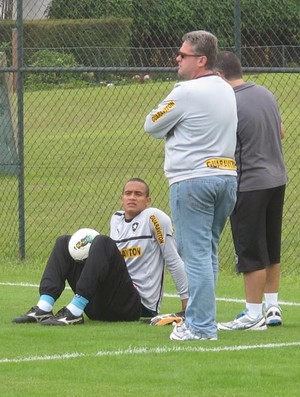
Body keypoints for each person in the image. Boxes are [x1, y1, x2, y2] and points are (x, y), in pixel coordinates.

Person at [144, 31, 238, 341]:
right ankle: (203, 321)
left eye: (183, 55)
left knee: (195, 255)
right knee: (207, 253)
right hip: (225, 177)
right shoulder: (225, 89)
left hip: (192, 180)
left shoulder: (186, 91)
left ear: (201, 60)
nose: (177, 58)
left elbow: (151, 124)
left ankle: (200, 326)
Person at [12, 178, 188, 326]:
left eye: (138, 194)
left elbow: (173, 260)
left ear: (148, 200)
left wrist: (187, 307)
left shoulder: (154, 217)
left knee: (102, 241)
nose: (132, 197)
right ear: (121, 198)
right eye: (128, 193)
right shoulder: (116, 219)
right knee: (64, 242)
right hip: (99, 306)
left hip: (135, 306)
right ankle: (44, 307)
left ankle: (74, 312)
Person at [213, 51, 288, 331]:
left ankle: (253, 314)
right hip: (277, 179)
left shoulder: (229, 102)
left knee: (251, 250)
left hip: (249, 184)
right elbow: (280, 131)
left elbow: (222, 143)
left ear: (219, 76)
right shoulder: (265, 93)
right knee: (271, 245)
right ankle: (272, 305)